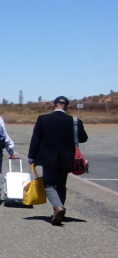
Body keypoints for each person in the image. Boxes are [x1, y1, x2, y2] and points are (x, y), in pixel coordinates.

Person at [28, 96, 88, 225]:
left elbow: (36, 139)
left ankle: (58, 207)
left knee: (49, 185)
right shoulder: (75, 121)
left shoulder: (43, 119)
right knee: (61, 185)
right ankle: (59, 212)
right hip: (67, 159)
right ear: (67, 106)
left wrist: (31, 156)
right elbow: (83, 138)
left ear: (53, 105)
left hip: (48, 158)